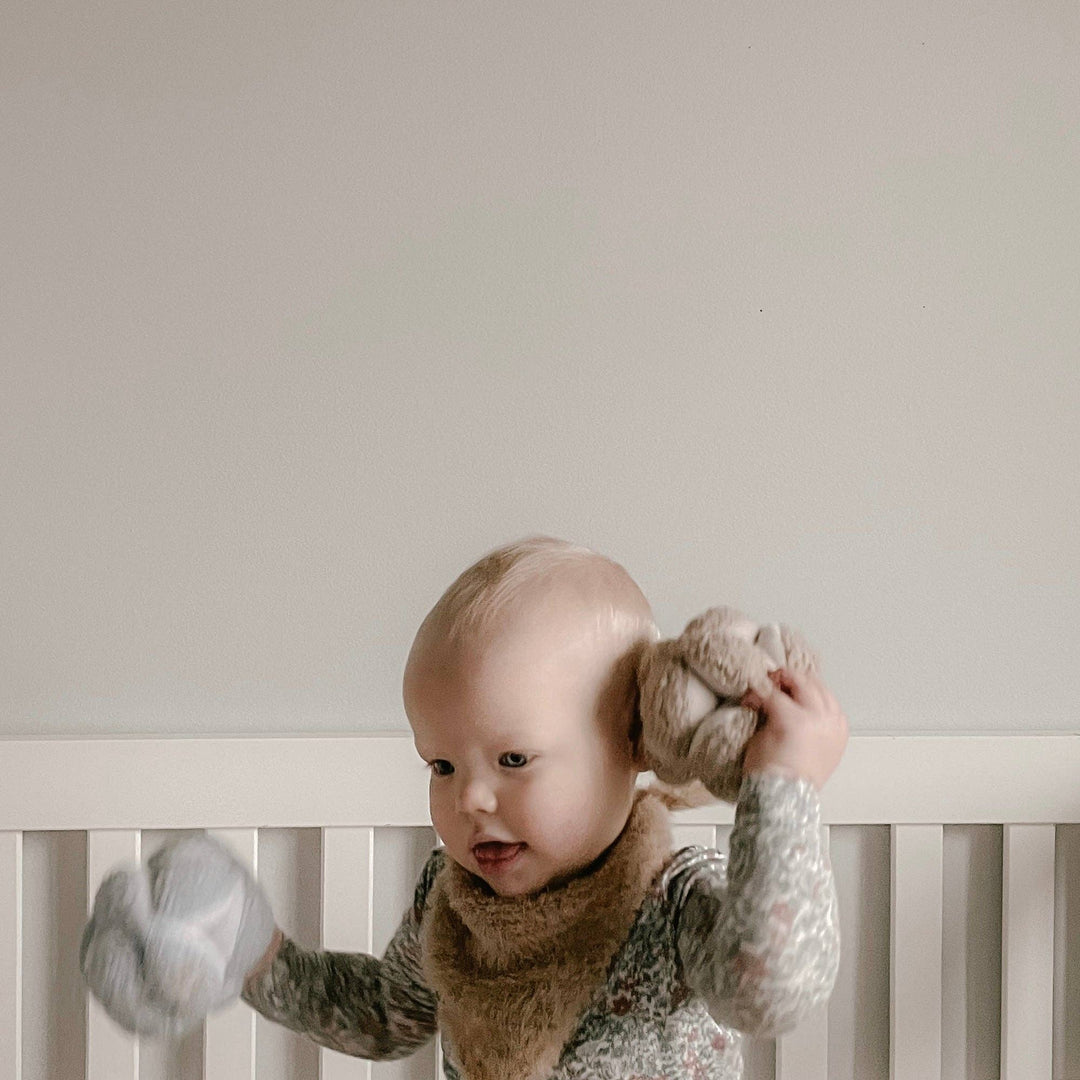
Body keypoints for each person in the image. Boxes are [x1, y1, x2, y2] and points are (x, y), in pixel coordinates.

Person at [239, 536, 847, 1079]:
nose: (469, 798)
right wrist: (253, 957)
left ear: (634, 741)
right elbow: (383, 1014)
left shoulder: (673, 900)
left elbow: (770, 989)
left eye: (513, 760)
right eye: (442, 766)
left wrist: (784, 786)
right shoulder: (451, 897)